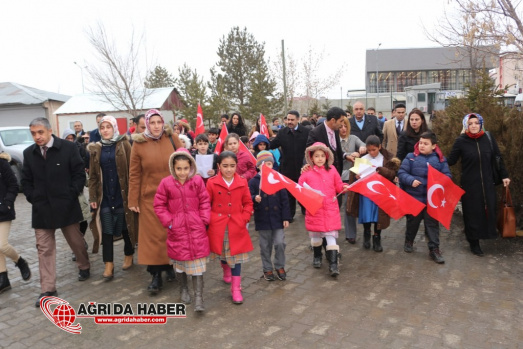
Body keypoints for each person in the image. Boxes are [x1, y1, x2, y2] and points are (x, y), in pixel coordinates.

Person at [22, 117, 91, 307]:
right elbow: (25, 181)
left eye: (40, 132)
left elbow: (79, 174)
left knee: (76, 242)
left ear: (49, 131)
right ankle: (48, 289)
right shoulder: (29, 153)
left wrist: (71, 194)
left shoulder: (68, 148)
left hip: (66, 206)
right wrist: (32, 197)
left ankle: (84, 265)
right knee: (44, 249)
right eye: (33, 133)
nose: (37, 137)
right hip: (42, 210)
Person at [128, 109, 183, 294]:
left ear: (163, 123)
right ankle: (155, 276)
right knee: (152, 238)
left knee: (170, 234)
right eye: (152, 123)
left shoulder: (172, 138)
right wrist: (132, 199)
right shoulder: (139, 143)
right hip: (149, 198)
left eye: (159, 122)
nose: (156, 126)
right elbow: (134, 174)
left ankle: (169, 266)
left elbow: (185, 162)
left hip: (173, 195)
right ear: (147, 124)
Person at [154, 149, 211, 312]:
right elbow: (159, 205)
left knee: (197, 266)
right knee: (180, 264)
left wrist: (204, 219)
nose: (182, 172)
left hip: (196, 230)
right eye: (179, 169)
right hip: (177, 231)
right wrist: (170, 222)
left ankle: (199, 298)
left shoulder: (198, 181)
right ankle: (183, 289)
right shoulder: (166, 183)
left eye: (185, 168)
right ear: (173, 167)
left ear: (191, 166)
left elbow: (205, 201)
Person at [447, 113, 510, 256]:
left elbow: (498, 157)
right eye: (470, 123)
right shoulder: (461, 141)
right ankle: (473, 242)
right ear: (466, 126)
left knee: (489, 210)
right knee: (472, 213)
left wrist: (504, 175)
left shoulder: (488, 138)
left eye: (476, 122)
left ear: (481, 123)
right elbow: (451, 160)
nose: (474, 126)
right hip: (470, 184)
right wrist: (434, 156)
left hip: (488, 182)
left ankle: (487, 234)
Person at [88, 116, 137, 279]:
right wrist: (93, 197)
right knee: (107, 230)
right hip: (106, 197)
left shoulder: (124, 144)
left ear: (114, 128)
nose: (105, 130)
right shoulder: (96, 148)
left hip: (122, 194)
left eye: (109, 127)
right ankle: (108, 264)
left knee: (125, 227)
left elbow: (132, 170)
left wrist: (133, 195)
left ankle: (129, 254)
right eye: (102, 128)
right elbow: (93, 176)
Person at [206, 151, 253, 304]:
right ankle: (225, 268)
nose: (228, 169)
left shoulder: (242, 181)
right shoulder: (212, 182)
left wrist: (244, 217)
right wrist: (209, 220)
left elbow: (248, 203)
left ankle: (236, 288)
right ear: (218, 166)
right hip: (218, 225)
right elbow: (206, 204)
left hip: (236, 224)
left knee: (236, 257)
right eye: (225, 166)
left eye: (232, 166)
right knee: (224, 254)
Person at [398, 131, 451, 264]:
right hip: (414, 199)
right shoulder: (411, 157)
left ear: (434, 146)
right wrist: (410, 180)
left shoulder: (440, 159)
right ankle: (409, 241)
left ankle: (434, 249)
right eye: (420, 143)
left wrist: (439, 181)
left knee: (432, 225)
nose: (422, 146)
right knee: (412, 223)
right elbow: (402, 172)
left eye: (425, 143)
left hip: (432, 201)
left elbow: (447, 176)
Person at [299, 142, 349, 276]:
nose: (320, 158)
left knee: (331, 236)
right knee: (316, 236)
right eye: (316, 156)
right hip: (315, 210)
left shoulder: (332, 170)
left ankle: (333, 264)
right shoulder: (307, 172)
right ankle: (317, 256)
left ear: (327, 157)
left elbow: (338, 185)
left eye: (322, 155)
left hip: (330, 209)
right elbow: (300, 189)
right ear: (311, 157)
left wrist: (343, 187)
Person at [346, 135, 399, 252]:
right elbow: (354, 176)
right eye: (369, 150)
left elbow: (392, 174)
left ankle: (377, 236)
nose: (371, 152)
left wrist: (381, 170)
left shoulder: (386, 159)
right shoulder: (364, 159)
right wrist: (357, 176)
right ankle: (366, 232)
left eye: (374, 150)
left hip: (380, 193)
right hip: (366, 193)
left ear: (379, 147)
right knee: (367, 214)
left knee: (378, 216)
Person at [248, 151, 291, 281]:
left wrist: (286, 217)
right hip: (263, 220)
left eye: (270, 164)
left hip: (277, 218)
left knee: (280, 243)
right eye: (264, 164)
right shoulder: (254, 182)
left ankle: (279, 265)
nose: (267, 166)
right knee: (265, 246)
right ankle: (267, 268)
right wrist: (254, 198)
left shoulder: (277, 179)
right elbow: (248, 197)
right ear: (258, 166)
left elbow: (284, 200)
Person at [270, 110, 310, 221]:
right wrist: (261, 144)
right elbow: (273, 144)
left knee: (303, 192)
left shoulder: (306, 132)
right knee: (289, 194)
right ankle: (290, 215)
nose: (289, 122)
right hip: (287, 169)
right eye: (288, 119)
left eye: (292, 120)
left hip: (303, 169)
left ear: (298, 119)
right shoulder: (282, 132)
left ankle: (305, 210)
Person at [0, 151, 31, 293]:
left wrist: (6, 203)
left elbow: (13, 185)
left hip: (3, 211)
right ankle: (3, 279)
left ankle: (19, 261)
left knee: (2, 245)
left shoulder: (3, 164)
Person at [61, 129, 90, 261]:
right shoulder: (59, 156)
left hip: (79, 197)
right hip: (66, 200)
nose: (70, 141)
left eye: (72, 138)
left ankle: (81, 240)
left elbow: (86, 179)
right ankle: (76, 248)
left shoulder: (78, 153)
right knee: (72, 227)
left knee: (83, 223)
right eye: (67, 138)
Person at [339, 117, 366, 244]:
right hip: (336, 177)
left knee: (348, 206)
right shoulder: (334, 140)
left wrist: (361, 150)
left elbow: (363, 145)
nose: (343, 129)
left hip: (350, 177)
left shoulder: (353, 138)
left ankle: (350, 234)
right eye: (340, 126)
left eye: (345, 126)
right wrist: (346, 156)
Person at [307, 107, 346, 175]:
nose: (342, 124)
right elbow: (309, 153)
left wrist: (345, 156)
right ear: (333, 120)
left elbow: (336, 150)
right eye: (341, 121)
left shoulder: (336, 130)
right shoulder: (315, 133)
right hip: (323, 175)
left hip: (337, 174)